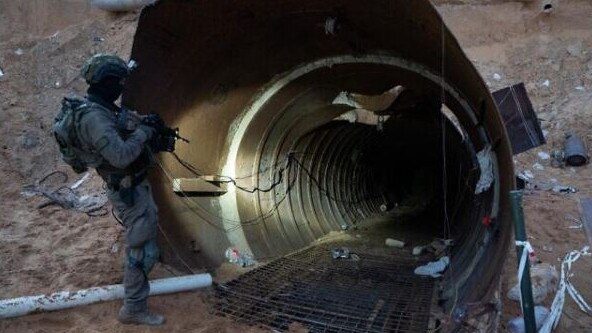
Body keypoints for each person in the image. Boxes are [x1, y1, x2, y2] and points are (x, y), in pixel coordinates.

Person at [75, 54, 165, 325]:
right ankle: (133, 308)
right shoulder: (94, 118)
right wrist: (144, 134)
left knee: (145, 244)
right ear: (106, 83)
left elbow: (119, 123)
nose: (122, 86)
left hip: (134, 186)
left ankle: (134, 289)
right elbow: (121, 156)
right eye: (119, 81)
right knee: (141, 251)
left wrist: (141, 122)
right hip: (128, 191)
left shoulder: (100, 107)